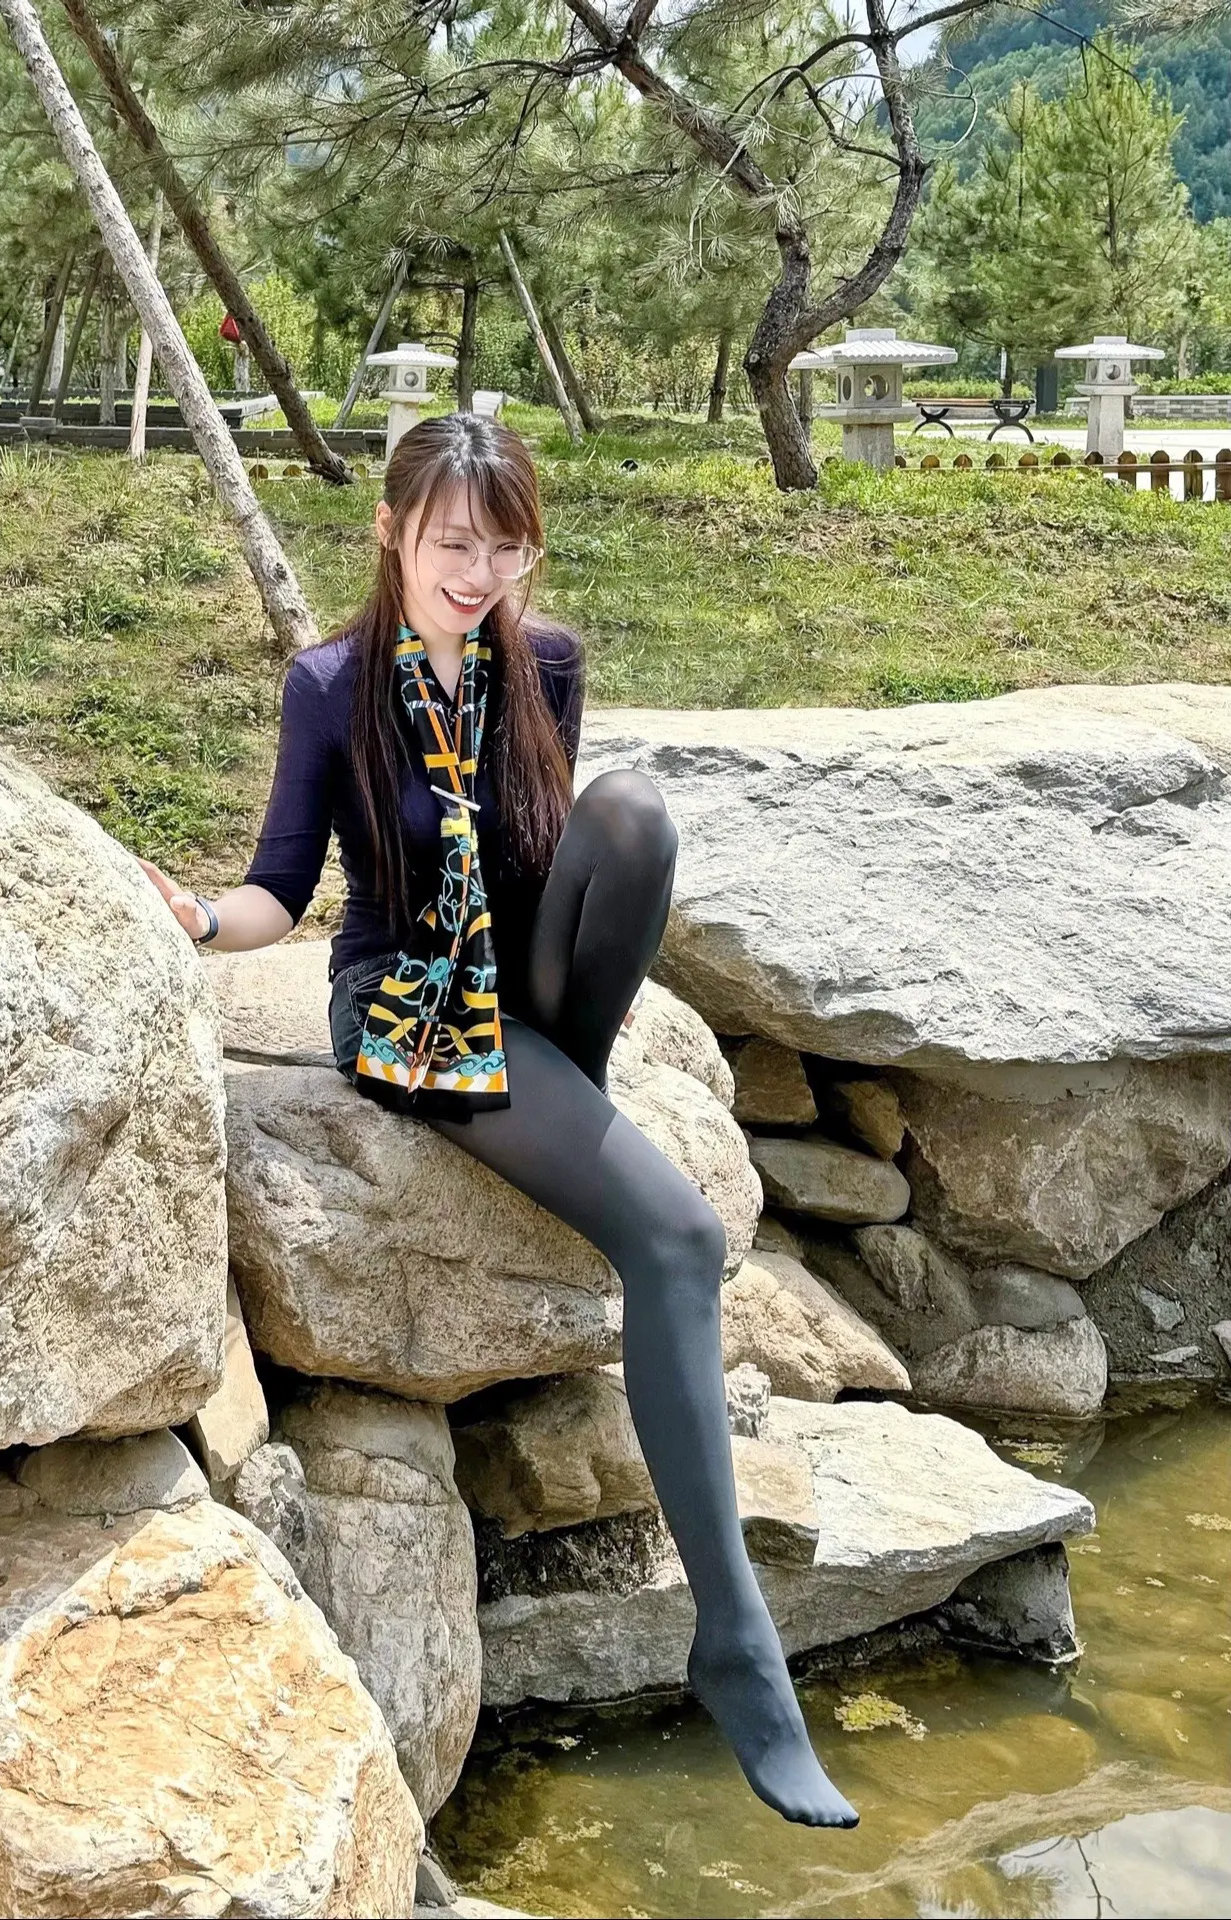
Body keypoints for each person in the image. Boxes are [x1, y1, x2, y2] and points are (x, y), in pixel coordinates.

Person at [139, 412, 858, 1829]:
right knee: (674, 1236)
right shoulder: (330, 685)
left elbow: (546, 860)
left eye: (505, 547)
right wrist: (204, 921)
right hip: (405, 998)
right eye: (454, 543)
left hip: (518, 990)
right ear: (394, 531)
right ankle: (739, 1644)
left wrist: (551, 1038)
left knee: (632, 815)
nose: (478, 574)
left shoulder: (547, 664)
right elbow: (284, 887)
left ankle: (565, 1098)